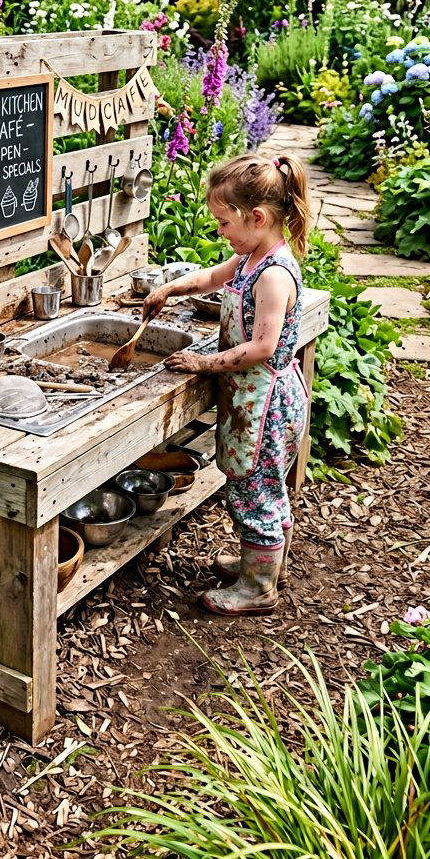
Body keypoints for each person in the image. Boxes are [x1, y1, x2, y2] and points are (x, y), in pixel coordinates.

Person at [141, 154, 312, 616]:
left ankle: (258, 588)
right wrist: (169, 289)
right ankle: (262, 566)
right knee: (261, 489)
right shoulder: (250, 257)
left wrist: (203, 362)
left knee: (257, 493)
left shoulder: (274, 276)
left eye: (223, 222)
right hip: (253, 399)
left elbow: (261, 347)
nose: (220, 232)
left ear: (256, 218)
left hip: (266, 404)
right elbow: (211, 277)